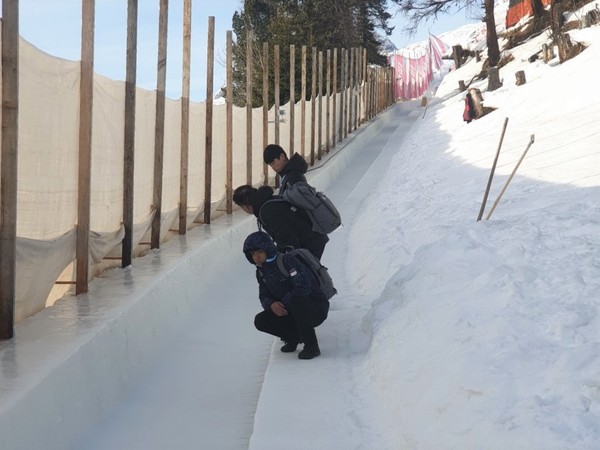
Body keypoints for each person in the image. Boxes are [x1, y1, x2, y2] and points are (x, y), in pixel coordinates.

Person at [243, 231, 329, 359]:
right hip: (290, 310)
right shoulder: (261, 272)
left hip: (314, 308)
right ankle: (293, 338)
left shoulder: (287, 260)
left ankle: (312, 346)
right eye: (253, 254)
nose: (256, 257)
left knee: (295, 300)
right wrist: (271, 305)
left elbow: (304, 286)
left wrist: (283, 303)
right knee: (260, 321)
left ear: (267, 249)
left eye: (259, 252)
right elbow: (263, 295)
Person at [233, 184, 328, 259]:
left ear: (245, 206)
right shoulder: (267, 202)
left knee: (306, 276)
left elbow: (287, 237)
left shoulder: (266, 211)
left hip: (310, 241)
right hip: (312, 237)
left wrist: (287, 259)